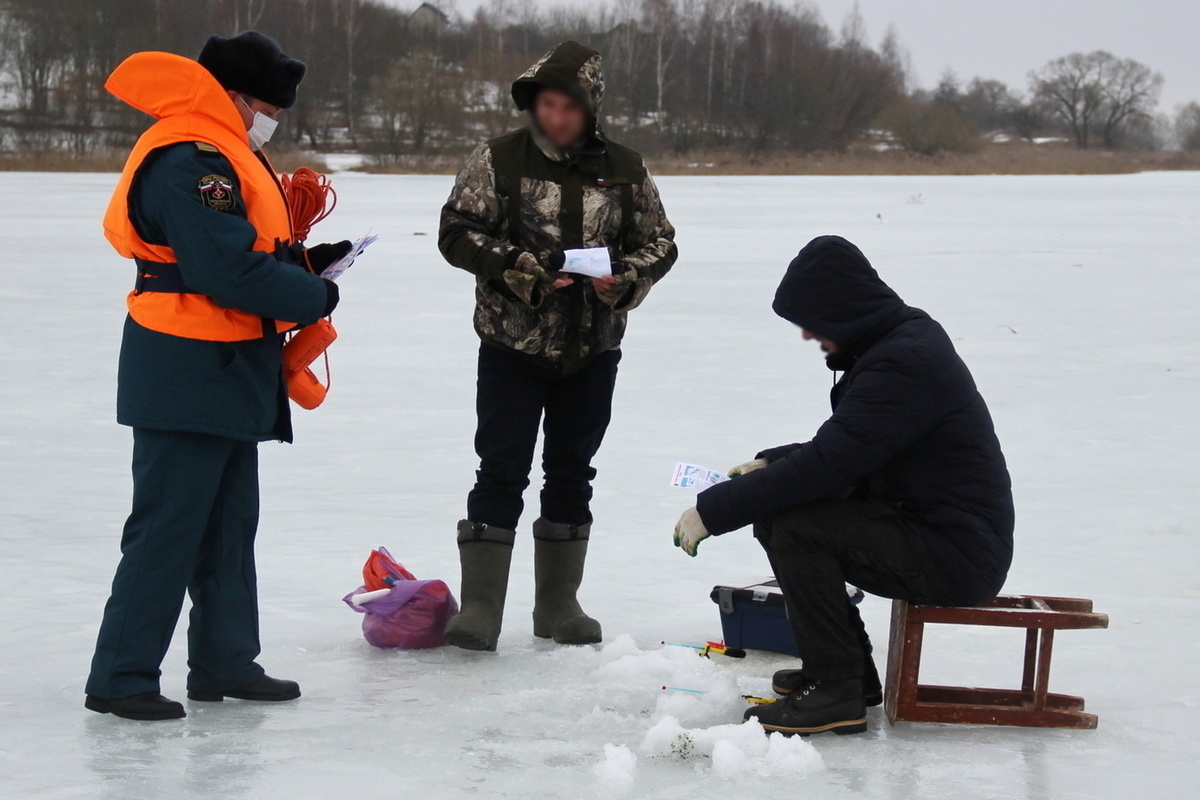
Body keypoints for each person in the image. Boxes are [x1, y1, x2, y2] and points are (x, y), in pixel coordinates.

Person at [85, 32, 352, 721]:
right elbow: (221, 270)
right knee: (169, 527)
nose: (272, 123)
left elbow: (240, 249)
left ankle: (226, 661)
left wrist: (304, 264)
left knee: (229, 525)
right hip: (186, 364)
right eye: (267, 108)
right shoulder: (191, 157)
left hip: (227, 365)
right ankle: (121, 676)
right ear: (233, 97)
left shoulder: (225, 149)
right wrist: (311, 296)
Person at [673, 236, 1014, 736]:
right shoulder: (898, 343)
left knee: (798, 524)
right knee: (783, 509)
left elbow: (833, 464)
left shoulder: (904, 360)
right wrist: (773, 463)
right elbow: (857, 445)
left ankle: (836, 690)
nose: (809, 335)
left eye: (812, 320)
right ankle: (847, 674)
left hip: (955, 553)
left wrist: (715, 511)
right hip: (935, 531)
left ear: (842, 308)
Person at [438, 41, 677, 651]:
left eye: (567, 105)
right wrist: (520, 265)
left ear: (589, 106)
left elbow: (660, 243)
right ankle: (481, 609)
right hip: (512, 347)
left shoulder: (626, 166)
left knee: (572, 473)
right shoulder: (495, 160)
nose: (555, 116)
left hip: (593, 350)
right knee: (500, 468)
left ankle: (558, 606)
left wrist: (625, 278)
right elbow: (457, 233)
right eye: (545, 104)